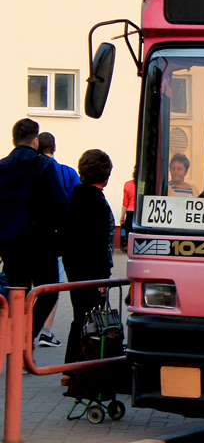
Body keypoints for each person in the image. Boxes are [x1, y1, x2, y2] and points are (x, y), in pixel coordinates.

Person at [0, 119, 66, 343]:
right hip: (40, 242)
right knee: (48, 293)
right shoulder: (43, 165)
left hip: (10, 243)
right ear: (35, 141)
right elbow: (60, 203)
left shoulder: (1, 166)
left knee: (16, 295)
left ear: (14, 139)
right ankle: (26, 342)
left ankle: (14, 341)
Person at [61, 149, 115, 367]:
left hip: (73, 265)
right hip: (92, 270)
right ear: (105, 176)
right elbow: (100, 243)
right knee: (87, 319)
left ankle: (72, 367)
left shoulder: (73, 197)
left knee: (80, 315)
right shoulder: (97, 203)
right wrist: (103, 278)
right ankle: (77, 366)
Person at [34, 132, 81, 348]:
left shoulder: (29, 171)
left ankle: (25, 335)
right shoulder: (68, 172)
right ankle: (45, 331)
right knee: (52, 287)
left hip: (31, 238)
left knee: (28, 290)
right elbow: (73, 204)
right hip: (58, 239)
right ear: (54, 147)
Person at [120, 167, 136, 251]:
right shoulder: (146, 184)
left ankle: (130, 247)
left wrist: (122, 217)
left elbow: (125, 203)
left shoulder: (128, 184)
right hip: (142, 211)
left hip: (130, 212)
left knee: (129, 231)